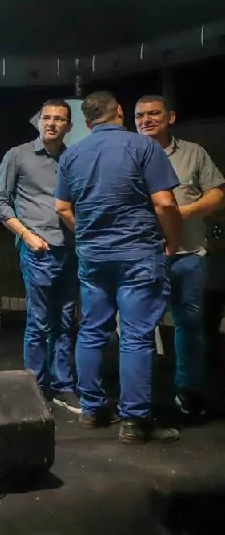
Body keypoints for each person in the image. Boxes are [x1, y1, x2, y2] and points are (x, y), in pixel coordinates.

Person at [54, 91, 181, 443]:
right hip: (138, 254)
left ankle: (92, 410)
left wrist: (88, 236)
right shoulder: (143, 147)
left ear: (87, 121)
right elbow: (164, 203)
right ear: (120, 111)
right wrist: (173, 242)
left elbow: (62, 208)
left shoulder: (72, 154)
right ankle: (135, 421)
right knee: (136, 336)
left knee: (92, 330)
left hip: (93, 257)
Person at [134, 95, 224, 418]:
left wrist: (182, 213)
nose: (146, 120)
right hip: (143, 257)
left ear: (170, 117)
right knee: (140, 328)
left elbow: (217, 194)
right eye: (140, 115)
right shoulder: (129, 153)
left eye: (153, 113)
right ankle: (140, 398)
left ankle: (189, 392)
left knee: (189, 325)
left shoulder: (193, 153)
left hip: (188, 256)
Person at [0, 99, 80, 413]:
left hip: (71, 249)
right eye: (47, 118)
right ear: (39, 121)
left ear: (69, 126)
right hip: (39, 250)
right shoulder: (18, 155)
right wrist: (27, 236)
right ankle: (35, 387)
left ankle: (63, 386)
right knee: (39, 323)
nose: (52, 123)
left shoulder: (74, 158)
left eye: (59, 119)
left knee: (65, 322)